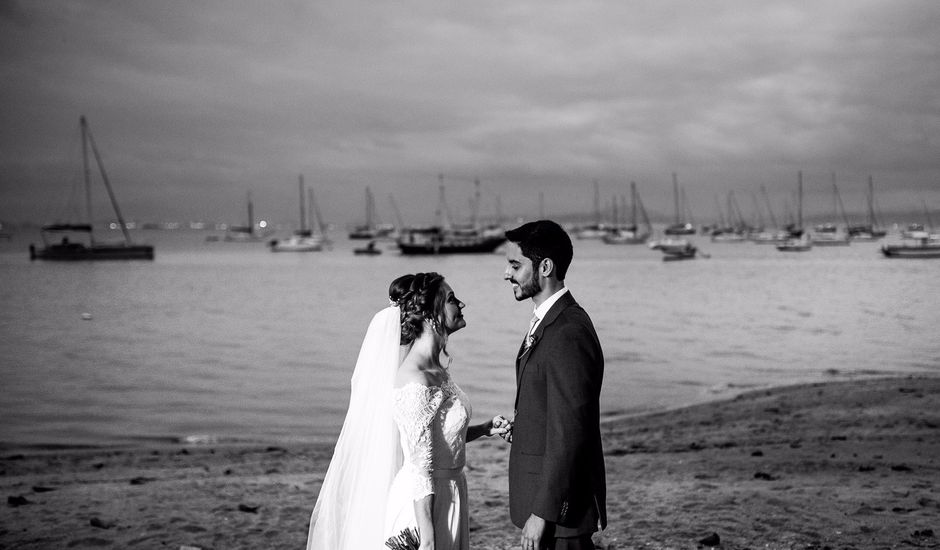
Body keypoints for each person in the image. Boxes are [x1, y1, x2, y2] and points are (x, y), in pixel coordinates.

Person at [306, 272, 508, 550]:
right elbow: (418, 467)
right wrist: (427, 539)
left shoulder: (436, 370)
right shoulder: (415, 379)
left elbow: (438, 439)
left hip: (451, 493)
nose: (461, 304)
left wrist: (484, 429)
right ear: (428, 314)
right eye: (451, 299)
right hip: (425, 506)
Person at [502, 220, 607, 550]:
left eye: (515, 265)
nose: (507, 274)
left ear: (545, 266)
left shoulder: (568, 331)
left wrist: (543, 513)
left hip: (561, 516)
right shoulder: (548, 320)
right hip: (545, 504)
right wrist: (525, 427)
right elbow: (557, 410)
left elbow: (571, 431)